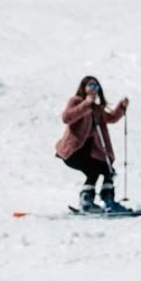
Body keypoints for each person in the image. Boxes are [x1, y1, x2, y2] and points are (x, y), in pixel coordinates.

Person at [55, 74, 129, 213]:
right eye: (91, 85)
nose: (94, 88)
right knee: (97, 170)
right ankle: (98, 201)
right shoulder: (76, 101)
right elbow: (67, 117)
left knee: (105, 170)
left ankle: (94, 201)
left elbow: (111, 118)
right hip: (74, 150)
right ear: (83, 88)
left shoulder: (96, 109)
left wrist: (121, 108)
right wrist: (86, 104)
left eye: (96, 86)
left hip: (89, 150)